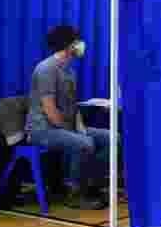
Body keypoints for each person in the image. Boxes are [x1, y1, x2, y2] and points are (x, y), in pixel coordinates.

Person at [26, 25, 114, 210]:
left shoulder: (69, 71)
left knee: (111, 138)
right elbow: (50, 109)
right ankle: (75, 193)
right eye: (77, 41)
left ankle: (91, 186)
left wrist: (80, 127)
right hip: (43, 129)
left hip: (65, 126)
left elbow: (73, 107)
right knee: (84, 143)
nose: (81, 45)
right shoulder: (46, 69)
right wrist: (74, 133)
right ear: (68, 45)